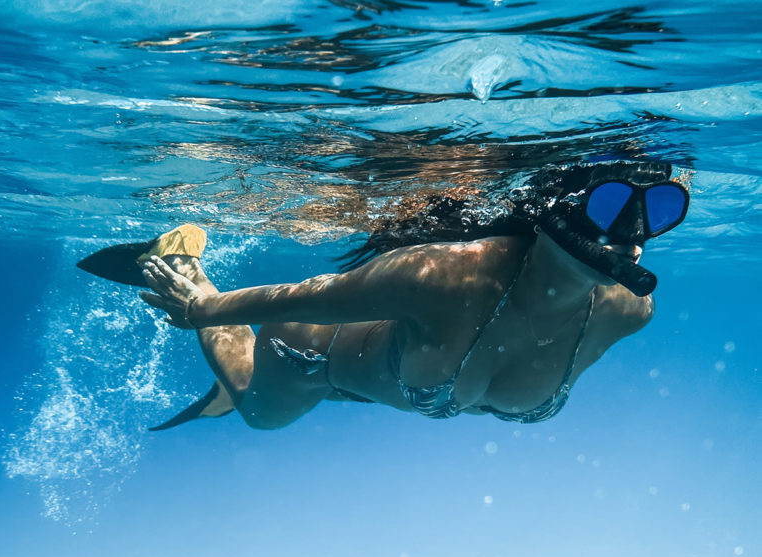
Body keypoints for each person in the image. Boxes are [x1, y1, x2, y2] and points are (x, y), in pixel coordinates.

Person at [136, 161, 689, 430]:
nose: (634, 235)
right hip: (311, 351)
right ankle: (186, 262)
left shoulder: (628, 311)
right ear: (554, 214)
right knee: (257, 412)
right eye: (610, 205)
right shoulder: (449, 277)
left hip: (378, 374)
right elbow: (313, 297)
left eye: (661, 210)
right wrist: (201, 308)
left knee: (361, 384)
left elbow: (488, 375)